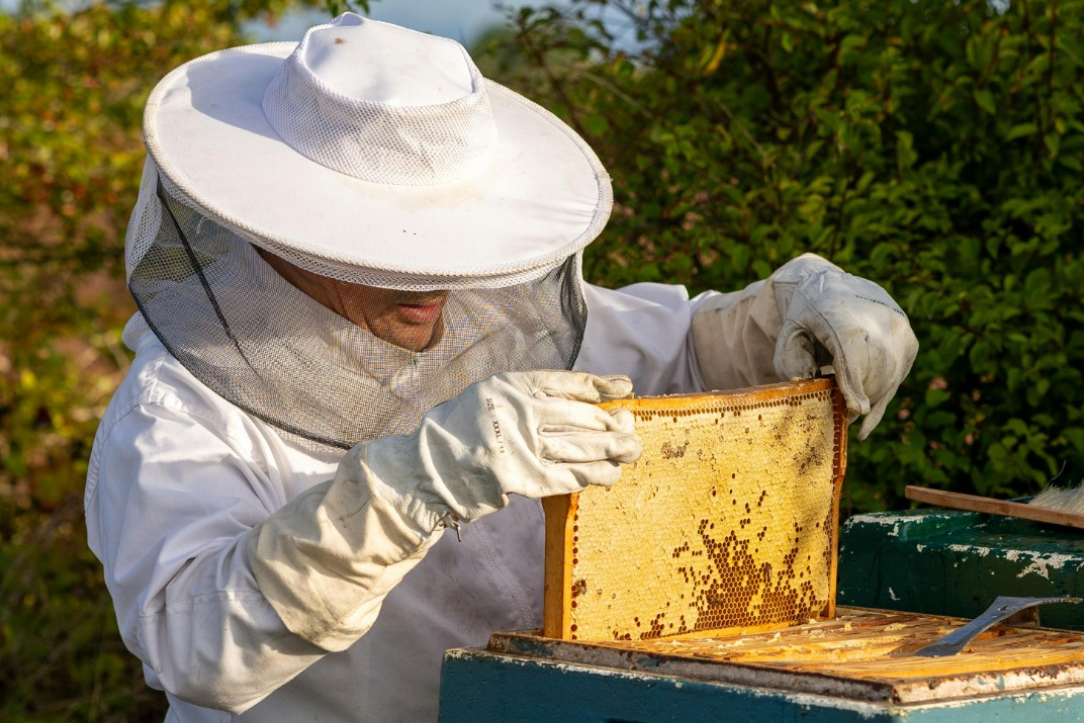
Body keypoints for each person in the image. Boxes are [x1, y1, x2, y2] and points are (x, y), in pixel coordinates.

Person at [85, 13, 919, 723]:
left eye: (452, 241)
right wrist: (413, 484)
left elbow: (683, 350)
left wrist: (791, 310)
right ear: (284, 228)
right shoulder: (177, 413)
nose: (435, 282)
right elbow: (197, 644)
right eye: (383, 250)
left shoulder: (487, 311)